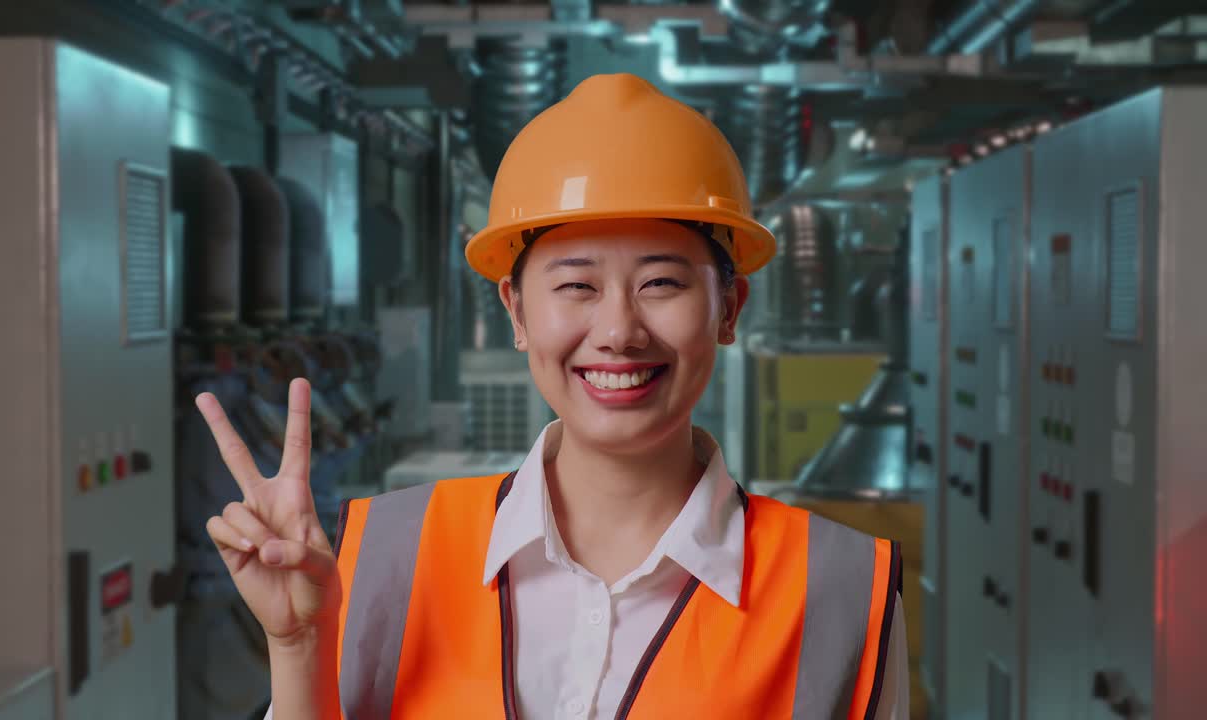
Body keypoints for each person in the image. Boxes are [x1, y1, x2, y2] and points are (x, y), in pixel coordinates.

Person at [197, 72, 909, 720]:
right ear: (515, 311)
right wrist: (296, 648)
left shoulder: (842, 588)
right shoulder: (382, 556)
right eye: (576, 286)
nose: (619, 331)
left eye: (662, 282)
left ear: (729, 308)